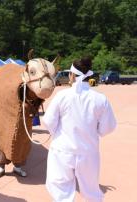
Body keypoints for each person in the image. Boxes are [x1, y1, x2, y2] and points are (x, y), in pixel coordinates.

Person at [42, 57, 116, 202]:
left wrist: (57, 133)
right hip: (88, 152)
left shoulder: (62, 96)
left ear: (72, 75)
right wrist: (96, 132)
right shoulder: (100, 99)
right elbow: (108, 127)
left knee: (61, 191)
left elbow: (48, 122)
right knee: (92, 192)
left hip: (62, 151)